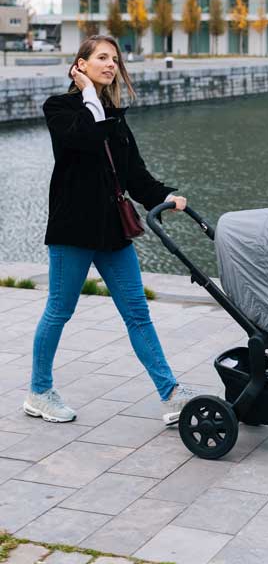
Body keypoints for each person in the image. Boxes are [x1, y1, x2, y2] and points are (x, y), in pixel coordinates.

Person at [24, 34, 197, 426]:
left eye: (114, 60)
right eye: (101, 58)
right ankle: (39, 391)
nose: (110, 65)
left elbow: (134, 174)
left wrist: (167, 196)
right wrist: (87, 95)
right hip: (73, 229)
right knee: (59, 310)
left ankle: (170, 394)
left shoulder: (114, 113)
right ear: (81, 64)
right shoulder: (60, 108)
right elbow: (84, 139)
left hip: (112, 231)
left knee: (137, 312)